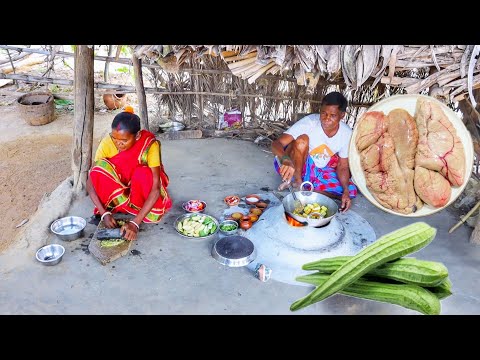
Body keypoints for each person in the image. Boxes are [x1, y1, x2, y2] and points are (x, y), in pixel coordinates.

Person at [86, 106, 172, 241]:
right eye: (115, 139)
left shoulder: (149, 144)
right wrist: (104, 213)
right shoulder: (107, 142)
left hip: (139, 188)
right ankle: (121, 205)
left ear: (137, 136)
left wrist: (135, 223)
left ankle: (137, 210)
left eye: (124, 140)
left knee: (143, 173)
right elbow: (91, 181)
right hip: (119, 186)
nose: (118, 143)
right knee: (98, 168)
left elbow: (155, 188)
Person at [271, 91, 357, 212]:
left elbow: (343, 166)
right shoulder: (309, 122)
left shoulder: (346, 134)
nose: (326, 119)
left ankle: (307, 190)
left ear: (342, 115)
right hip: (296, 163)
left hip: (320, 168)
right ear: (320, 110)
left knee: (350, 191)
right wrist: (286, 160)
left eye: (333, 115)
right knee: (302, 140)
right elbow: (276, 144)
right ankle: (298, 183)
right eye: (324, 113)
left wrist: (346, 192)